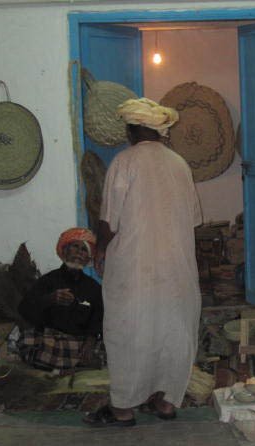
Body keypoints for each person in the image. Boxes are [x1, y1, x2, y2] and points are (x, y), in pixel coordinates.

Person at [84, 98, 202, 427]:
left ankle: (122, 409)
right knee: (172, 329)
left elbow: (109, 220)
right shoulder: (179, 164)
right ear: (159, 131)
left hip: (135, 265)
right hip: (176, 266)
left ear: (132, 130)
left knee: (129, 330)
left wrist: (100, 248)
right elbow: (193, 219)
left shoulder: (124, 162)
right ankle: (164, 402)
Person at [18, 228, 103, 370]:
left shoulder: (93, 287)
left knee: (109, 348)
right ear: (64, 251)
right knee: (27, 339)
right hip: (51, 339)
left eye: (84, 250)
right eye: (75, 246)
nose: (79, 252)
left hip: (79, 342)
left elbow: (99, 316)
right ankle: (73, 365)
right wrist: (49, 299)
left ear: (88, 258)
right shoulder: (48, 280)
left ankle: (64, 365)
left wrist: (91, 340)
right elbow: (24, 309)